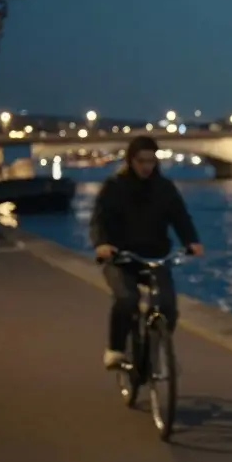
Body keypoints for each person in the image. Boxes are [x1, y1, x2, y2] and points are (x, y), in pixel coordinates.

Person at [90, 136, 204, 369]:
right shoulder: (114, 187)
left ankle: (155, 348)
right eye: (141, 161)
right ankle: (116, 349)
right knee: (127, 299)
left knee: (168, 307)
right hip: (121, 258)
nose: (146, 167)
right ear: (131, 161)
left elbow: (180, 217)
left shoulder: (165, 188)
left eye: (151, 161)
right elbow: (99, 220)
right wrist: (102, 244)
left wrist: (191, 241)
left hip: (155, 257)